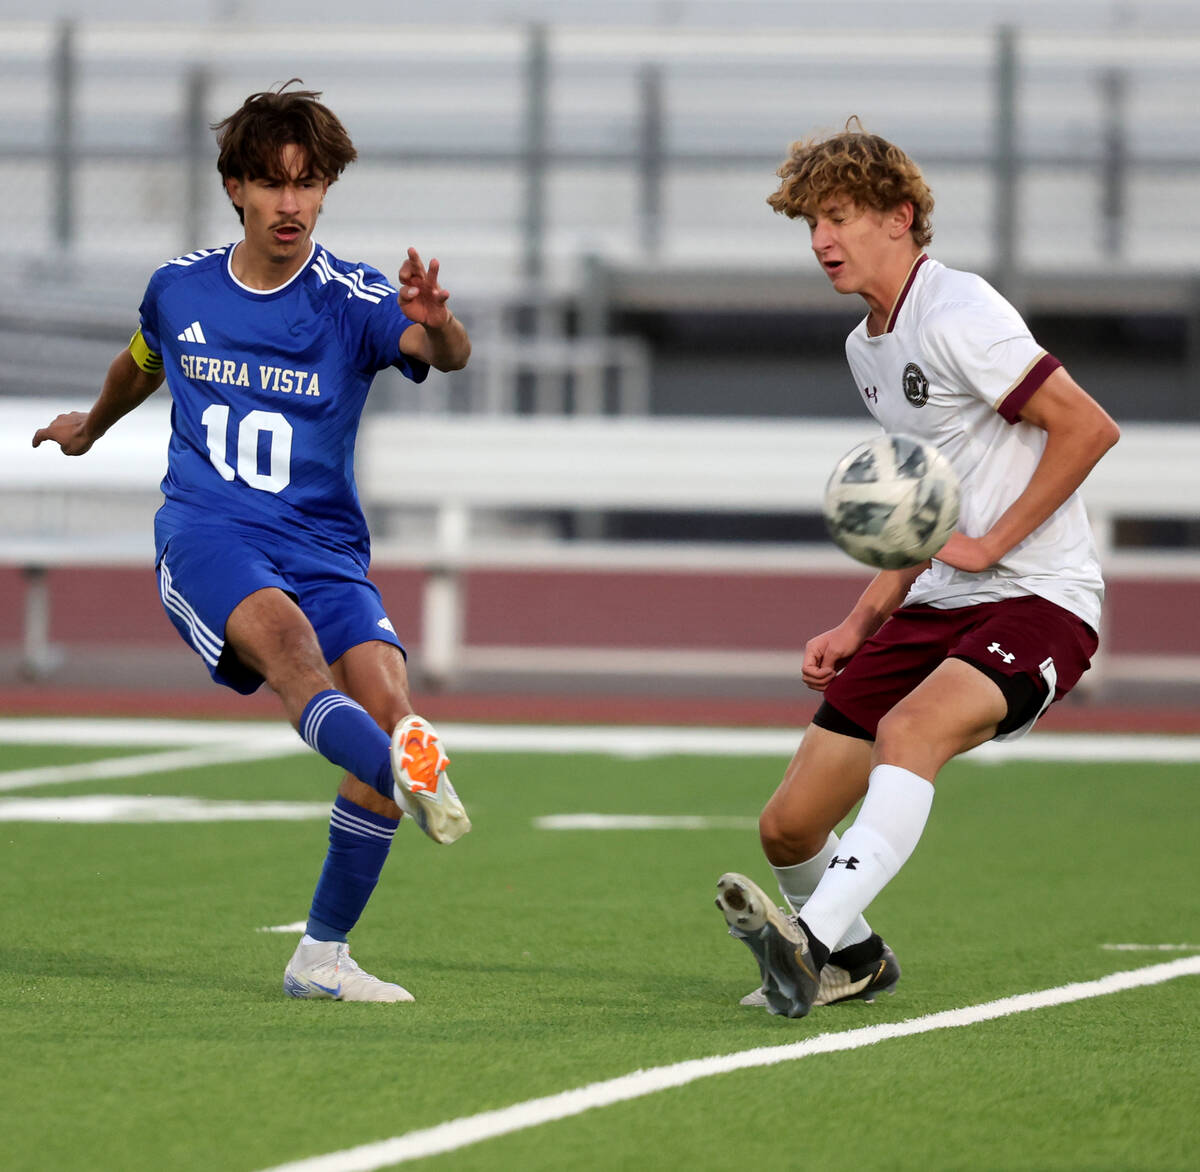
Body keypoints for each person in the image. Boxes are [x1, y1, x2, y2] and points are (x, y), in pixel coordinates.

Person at [32, 81, 473, 1003]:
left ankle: (321, 957)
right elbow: (143, 360)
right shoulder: (181, 288)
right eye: (273, 184)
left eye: (309, 184)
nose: (292, 204)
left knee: (395, 706)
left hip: (324, 546)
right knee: (296, 659)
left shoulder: (351, 297)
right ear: (236, 187)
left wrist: (438, 323)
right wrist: (91, 426)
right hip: (210, 532)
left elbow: (440, 353)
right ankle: (401, 772)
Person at [715, 121, 1120, 1018]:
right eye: (810, 223)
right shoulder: (868, 348)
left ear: (901, 218)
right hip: (938, 603)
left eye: (840, 216)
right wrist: (857, 624)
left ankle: (811, 941)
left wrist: (991, 545)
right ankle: (855, 960)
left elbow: (1088, 427)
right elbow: (926, 506)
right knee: (787, 826)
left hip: (1040, 599)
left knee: (910, 732)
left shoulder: (959, 311)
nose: (821, 241)